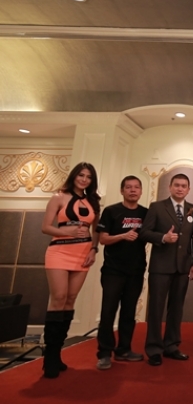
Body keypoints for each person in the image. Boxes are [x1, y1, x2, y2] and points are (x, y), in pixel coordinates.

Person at [41, 162, 101, 378]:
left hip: (82, 254)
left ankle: (57, 353)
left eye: (88, 177)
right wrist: (68, 233)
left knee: (70, 299)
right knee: (58, 297)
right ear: (74, 176)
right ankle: (49, 357)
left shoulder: (93, 201)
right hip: (59, 252)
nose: (84, 179)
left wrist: (94, 249)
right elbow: (45, 227)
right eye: (81, 175)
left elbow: (96, 230)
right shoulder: (59, 197)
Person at [140, 173, 193, 366]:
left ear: (188, 189)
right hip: (161, 266)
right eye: (177, 185)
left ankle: (171, 346)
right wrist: (162, 238)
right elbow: (144, 232)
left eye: (184, 186)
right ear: (170, 187)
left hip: (183, 267)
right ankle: (154, 349)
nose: (180, 188)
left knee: (176, 309)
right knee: (156, 309)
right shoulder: (157, 207)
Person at [95, 176, 148, 370]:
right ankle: (104, 353)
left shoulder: (146, 213)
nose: (133, 190)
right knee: (108, 312)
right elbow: (103, 239)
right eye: (128, 187)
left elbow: (152, 234)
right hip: (113, 270)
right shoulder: (111, 211)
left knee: (128, 312)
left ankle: (124, 350)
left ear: (141, 191)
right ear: (122, 190)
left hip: (136, 270)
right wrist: (123, 236)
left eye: (136, 187)